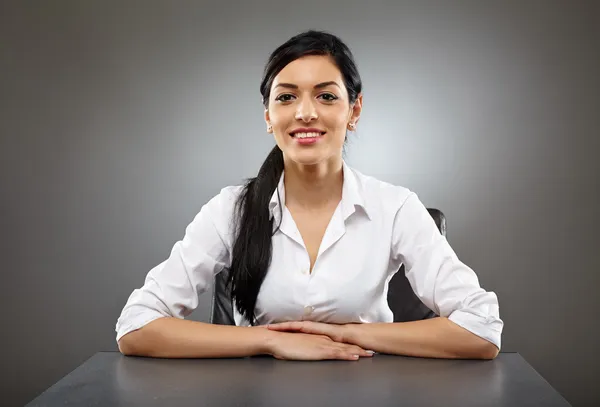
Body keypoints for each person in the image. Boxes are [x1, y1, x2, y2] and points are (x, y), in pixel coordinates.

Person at [116, 30, 503, 361]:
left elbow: (482, 329)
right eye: (286, 97)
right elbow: (136, 325)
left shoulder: (396, 208)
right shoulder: (230, 211)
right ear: (268, 116)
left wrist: (351, 334)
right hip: (254, 395)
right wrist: (271, 341)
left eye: (326, 96)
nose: (305, 113)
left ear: (355, 109)